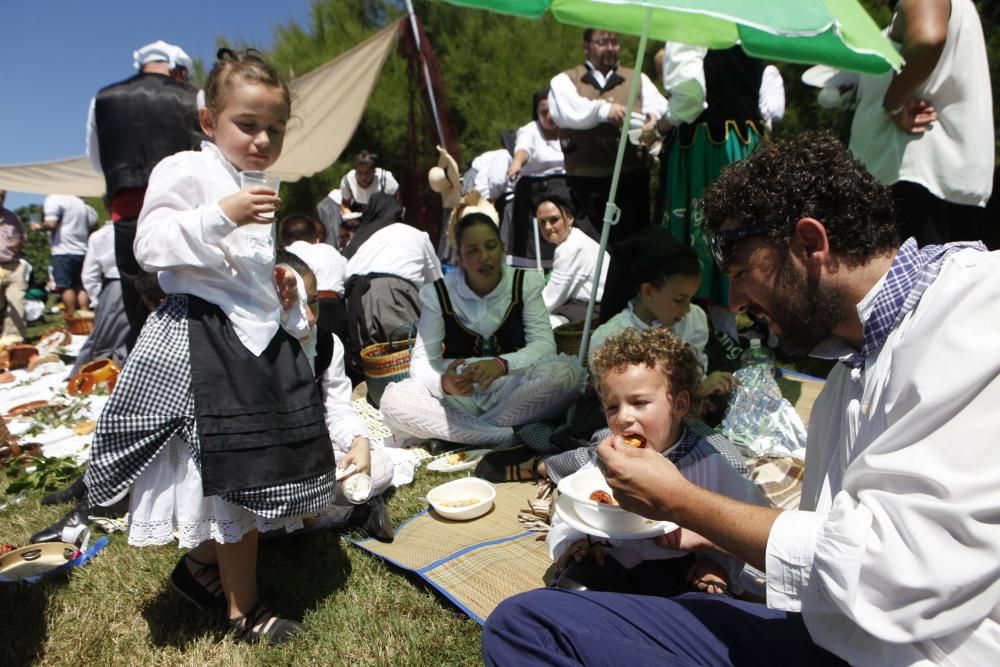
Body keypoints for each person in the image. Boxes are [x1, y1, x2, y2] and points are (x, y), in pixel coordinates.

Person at [483, 131, 1000, 666]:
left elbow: (895, 576)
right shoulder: (847, 376)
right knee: (528, 626)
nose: (735, 302)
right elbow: (829, 547)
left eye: (741, 275)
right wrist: (717, 541)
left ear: (809, 244)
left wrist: (683, 502)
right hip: (826, 637)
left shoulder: (976, 318)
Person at [84, 49, 331, 645]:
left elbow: (237, 268)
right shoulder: (186, 172)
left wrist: (276, 279)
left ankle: (200, 572)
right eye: (247, 124)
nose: (262, 138)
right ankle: (241, 612)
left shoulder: (253, 183)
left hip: (248, 338)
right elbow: (151, 246)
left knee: (233, 469)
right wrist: (221, 214)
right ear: (208, 122)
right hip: (202, 339)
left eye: (273, 128)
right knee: (226, 470)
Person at [547, 327, 766, 596]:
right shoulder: (608, 462)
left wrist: (717, 564)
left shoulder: (709, 463)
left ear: (679, 405)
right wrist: (574, 544)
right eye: (612, 407)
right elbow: (571, 509)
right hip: (612, 562)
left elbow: (747, 524)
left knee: (707, 606)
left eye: (639, 403)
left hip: (680, 569)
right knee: (574, 586)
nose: (624, 417)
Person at [379, 206, 581, 449]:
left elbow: (544, 345)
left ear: (502, 248)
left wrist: (502, 364)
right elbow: (421, 361)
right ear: (460, 257)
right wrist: (444, 383)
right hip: (459, 398)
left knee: (568, 374)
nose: (484, 257)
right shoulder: (438, 294)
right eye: (473, 250)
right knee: (394, 399)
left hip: (513, 391)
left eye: (491, 246)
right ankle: (503, 436)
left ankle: (458, 434)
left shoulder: (524, 283)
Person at [644, 43, 782, 306]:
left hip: (706, 144)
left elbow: (690, 100)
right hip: (745, 142)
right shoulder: (743, 28)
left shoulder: (689, 29)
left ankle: (706, 310)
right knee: (744, 220)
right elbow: (768, 104)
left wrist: (658, 129)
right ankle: (752, 303)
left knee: (711, 220)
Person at [849, 0, 993, 245]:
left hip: (913, 179)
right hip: (930, 180)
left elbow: (928, 37)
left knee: (918, 282)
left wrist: (894, 101)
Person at [86, 40, 199, 349]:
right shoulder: (192, 96)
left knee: (140, 305)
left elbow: (98, 163)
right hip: (183, 211)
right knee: (192, 299)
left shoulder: (104, 98)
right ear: (179, 71)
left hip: (129, 215)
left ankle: (145, 376)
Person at [275, 250, 394, 541]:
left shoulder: (328, 345)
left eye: (314, 301)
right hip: (269, 467)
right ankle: (341, 514)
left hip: (316, 457)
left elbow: (338, 410)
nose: (310, 318)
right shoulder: (251, 353)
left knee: (379, 468)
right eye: (295, 305)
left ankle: (308, 517)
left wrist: (359, 441)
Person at [548, 29, 667, 244]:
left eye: (614, 42)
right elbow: (568, 112)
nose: (610, 47)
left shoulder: (637, 78)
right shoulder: (565, 80)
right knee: (590, 247)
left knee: (633, 246)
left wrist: (652, 119)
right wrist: (604, 111)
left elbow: (660, 108)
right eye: (603, 42)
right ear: (586, 46)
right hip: (585, 183)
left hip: (631, 180)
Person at [590, 225, 736, 399]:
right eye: (679, 300)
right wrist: (695, 393)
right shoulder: (610, 338)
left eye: (691, 299)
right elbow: (624, 400)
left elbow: (696, 375)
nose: (687, 309)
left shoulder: (694, 319)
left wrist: (705, 389)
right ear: (649, 291)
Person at [342, 192, 443, 380]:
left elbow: (346, 270)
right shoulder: (415, 234)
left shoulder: (363, 239)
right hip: (393, 294)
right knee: (407, 360)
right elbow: (438, 284)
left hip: (354, 299)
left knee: (375, 366)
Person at [535, 192, 608, 327]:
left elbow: (550, 299)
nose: (547, 227)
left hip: (596, 314)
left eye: (553, 220)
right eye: (542, 222)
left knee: (537, 325)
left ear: (569, 218)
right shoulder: (576, 241)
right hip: (588, 309)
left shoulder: (572, 247)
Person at [70, 223, 129, 373]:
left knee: (106, 339)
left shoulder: (100, 235)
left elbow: (89, 275)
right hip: (129, 285)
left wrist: (98, 300)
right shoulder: (142, 225)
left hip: (116, 288)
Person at [280, 213, 348, 340]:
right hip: (338, 309)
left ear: (283, 238)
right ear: (314, 235)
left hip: (308, 310)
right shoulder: (330, 250)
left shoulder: (287, 254)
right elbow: (347, 274)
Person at [42, 194, 97, 314]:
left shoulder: (55, 199)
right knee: (81, 286)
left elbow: (51, 224)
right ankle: (85, 315)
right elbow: (93, 225)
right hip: (83, 250)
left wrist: (38, 227)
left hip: (63, 250)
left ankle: (72, 318)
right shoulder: (83, 204)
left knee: (65, 286)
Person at [506, 90, 565, 182]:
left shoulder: (568, 128)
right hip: (538, 184)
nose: (549, 116)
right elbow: (523, 148)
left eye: (553, 110)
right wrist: (517, 163)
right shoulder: (529, 130)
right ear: (537, 113)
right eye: (544, 112)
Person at [0, 189, 27, 343]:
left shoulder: (12, 217)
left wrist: (19, 243)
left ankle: (14, 340)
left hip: (14, 266)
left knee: (16, 300)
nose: (1, 198)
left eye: (3, 196)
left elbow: (23, 239)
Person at [339, 150, 399, 214]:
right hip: (360, 212)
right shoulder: (348, 181)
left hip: (384, 212)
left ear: (374, 171)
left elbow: (398, 200)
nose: (363, 177)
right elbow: (345, 204)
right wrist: (349, 215)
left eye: (367, 173)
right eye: (359, 173)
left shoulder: (385, 179)